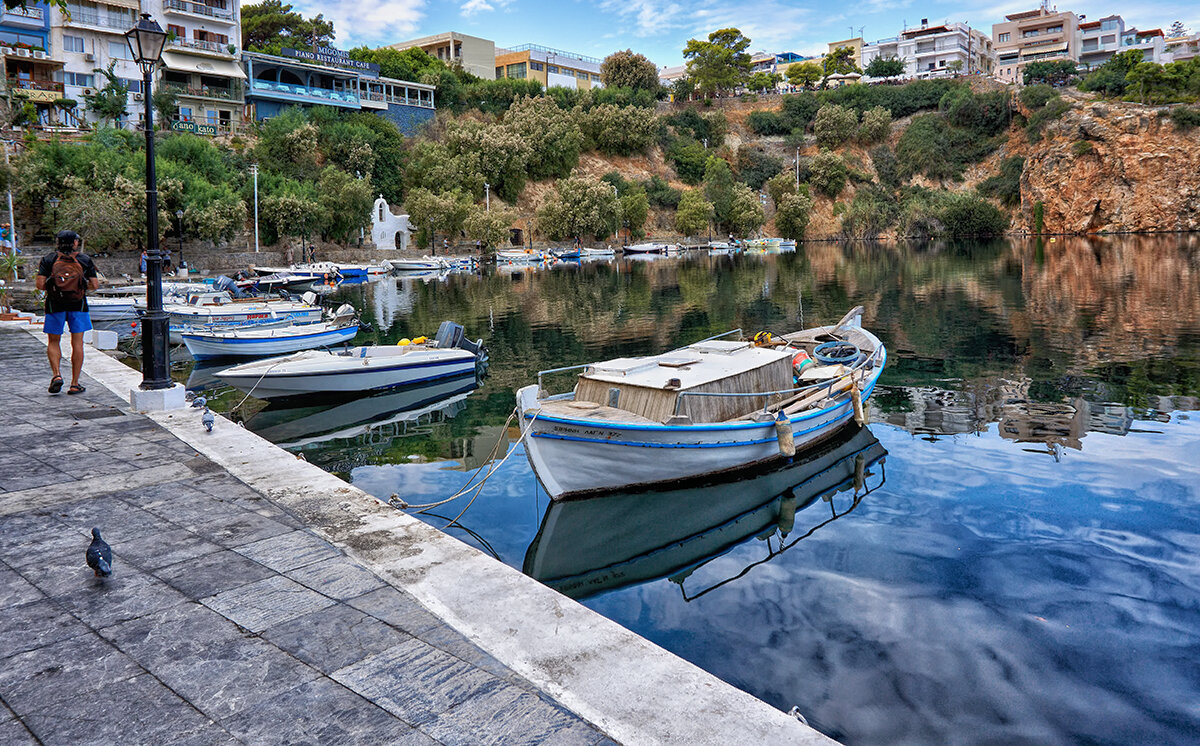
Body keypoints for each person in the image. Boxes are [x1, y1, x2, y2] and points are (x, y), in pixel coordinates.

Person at [36, 230, 99, 395]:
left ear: (58, 242)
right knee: (77, 343)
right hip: (78, 305)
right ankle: (75, 384)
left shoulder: (49, 259)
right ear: (75, 243)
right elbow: (95, 284)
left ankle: (56, 375)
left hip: (54, 304)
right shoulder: (84, 260)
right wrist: (80, 287)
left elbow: (40, 285)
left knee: (53, 341)